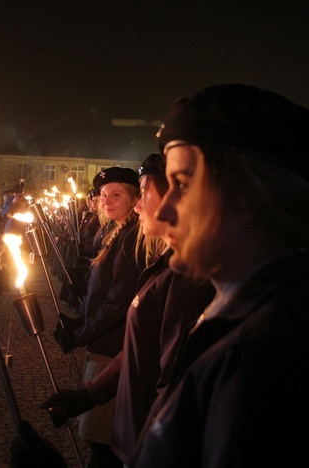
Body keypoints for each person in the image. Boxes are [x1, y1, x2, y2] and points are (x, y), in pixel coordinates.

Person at [12, 84, 309, 467]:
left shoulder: (268, 356)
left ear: (249, 198)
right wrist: (91, 394)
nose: (161, 214)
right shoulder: (250, 317)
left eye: (181, 185)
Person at [40, 154, 214, 466]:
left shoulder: (187, 278)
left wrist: (80, 333)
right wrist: (88, 394)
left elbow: (170, 384)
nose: (136, 207)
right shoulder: (167, 265)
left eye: (143, 192)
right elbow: (141, 346)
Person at [52, 166, 143, 468]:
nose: (106, 200)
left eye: (116, 194)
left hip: (110, 348)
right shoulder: (116, 232)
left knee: (101, 439)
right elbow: (101, 292)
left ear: (134, 199)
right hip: (101, 343)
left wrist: (80, 335)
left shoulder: (131, 238)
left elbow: (117, 305)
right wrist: (80, 319)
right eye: (104, 194)